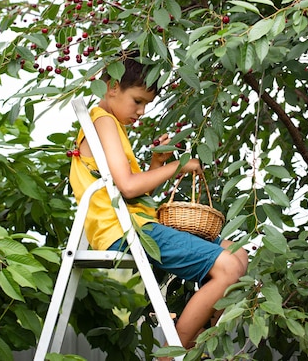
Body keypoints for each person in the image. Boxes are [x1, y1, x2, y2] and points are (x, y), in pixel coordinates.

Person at [70, 51, 248, 359]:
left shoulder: (112, 125)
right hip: (125, 231)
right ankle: (173, 355)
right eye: (137, 100)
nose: (141, 111)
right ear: (112, 86)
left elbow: (130, 190)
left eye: (146, 105)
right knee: (230, 266)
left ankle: (196, 344)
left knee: (238, 253)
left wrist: (154, 166)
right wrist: (177, 167)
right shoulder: (104, 123)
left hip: (137, 224)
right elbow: (126, 187)